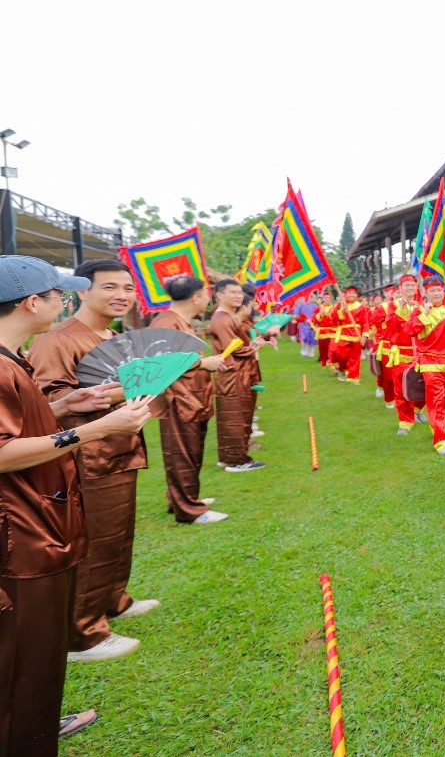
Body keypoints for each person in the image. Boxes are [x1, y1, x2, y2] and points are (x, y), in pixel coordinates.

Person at [0, 255, 152, 756]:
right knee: (24, 648)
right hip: (20, 533)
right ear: (31, 302)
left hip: (38, 520)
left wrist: (66, 406)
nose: (63, 303)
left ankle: (35, 723)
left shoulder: (12, 357)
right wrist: (92, 429)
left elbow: (24, 420)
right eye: (57, 295)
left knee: (37, 652)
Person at [27, 259, 157, 664]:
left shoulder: (113, 334)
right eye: (110, 287)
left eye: (128, 288)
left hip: (122, 447)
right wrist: (128, 391)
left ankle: (113, 599)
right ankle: (83, 632)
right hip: (86, 455)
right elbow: (48, 406)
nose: (121, 295)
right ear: (83, 290)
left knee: (119, 535)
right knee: (94, 541)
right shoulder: (58, 339)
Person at [149, 275, 229, 524]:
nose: (208, 299)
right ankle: (188, 509)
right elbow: (161, 361)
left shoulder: (181, 321)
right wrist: (204, 363)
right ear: (195, 297)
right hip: (178, 399)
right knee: (181, 453)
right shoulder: (165, 323)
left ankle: (184, 498)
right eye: (206, 294)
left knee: (191, 451)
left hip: (193, 397)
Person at [209, 279, 266, 473]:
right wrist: (254, 346)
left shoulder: (226, 317)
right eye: (232, 292)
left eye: (240, 293)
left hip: (236, 373)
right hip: (234, 375)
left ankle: (228, 456)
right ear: (219, 294)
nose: (238, 296)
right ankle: (236, 460)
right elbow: (234, 348)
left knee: (232, 415)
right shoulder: (223, 318)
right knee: (236, 416)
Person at [406, 277, 445, 455]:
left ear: (443, 290)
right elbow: (409, 331)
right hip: (430, 363)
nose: (436, 293)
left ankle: (440, 426)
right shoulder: (419, 311)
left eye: (439, 290)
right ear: (426, 292)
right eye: (432, 291)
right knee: (436, 401)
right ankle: (441, 439)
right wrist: (424, 314)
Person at [382, 275, 424, 434]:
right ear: (400, 288)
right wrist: (402, 308)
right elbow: (391, 326)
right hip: (401, 354)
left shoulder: (421, 305)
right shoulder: (393, 305)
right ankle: (405, 422)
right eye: (406, 286)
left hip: (420, 353)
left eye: (412, 285)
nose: (410, 288)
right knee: (401, 388)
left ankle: (418, 410)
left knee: (423, 385)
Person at [330, 286, 368, 384]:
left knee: (355, 357)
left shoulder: (361, 307)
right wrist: (342, 310)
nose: (351, 295)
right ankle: (342, 370)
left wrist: (364, 336)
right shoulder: (340, 305)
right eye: (349, 293)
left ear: (356, 295)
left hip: (357, 334)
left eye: (353, 293)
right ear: (346, 295)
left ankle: (354, 378)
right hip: (344, 334)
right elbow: (334, 319)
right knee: (341, 355)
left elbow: (365, 322)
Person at [313, 293, 338, 369]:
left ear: (331, 299)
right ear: (323, 299)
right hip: (323, 331)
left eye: (329, 298)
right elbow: (314, 319)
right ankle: (323, 362)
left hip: (333, 331)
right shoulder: (319, 308)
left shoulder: (335, 308)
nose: (327, 299)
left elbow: (337, 318)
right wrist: (320, 314)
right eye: (325, 298)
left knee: (333, 347)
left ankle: (331, 362)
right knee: (323, 348)